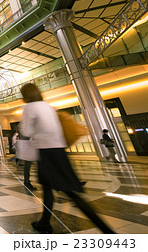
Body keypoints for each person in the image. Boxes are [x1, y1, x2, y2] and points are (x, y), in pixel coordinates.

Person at [19, 83, 114, 234]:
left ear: (25, 96)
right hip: (59, 151)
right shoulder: (47, 107)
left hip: (46, 153)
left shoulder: (30, 107)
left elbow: (27, 131)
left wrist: (23, 123)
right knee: (48, 187)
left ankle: (107, 230)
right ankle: (44, 222)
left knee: (68, 192)